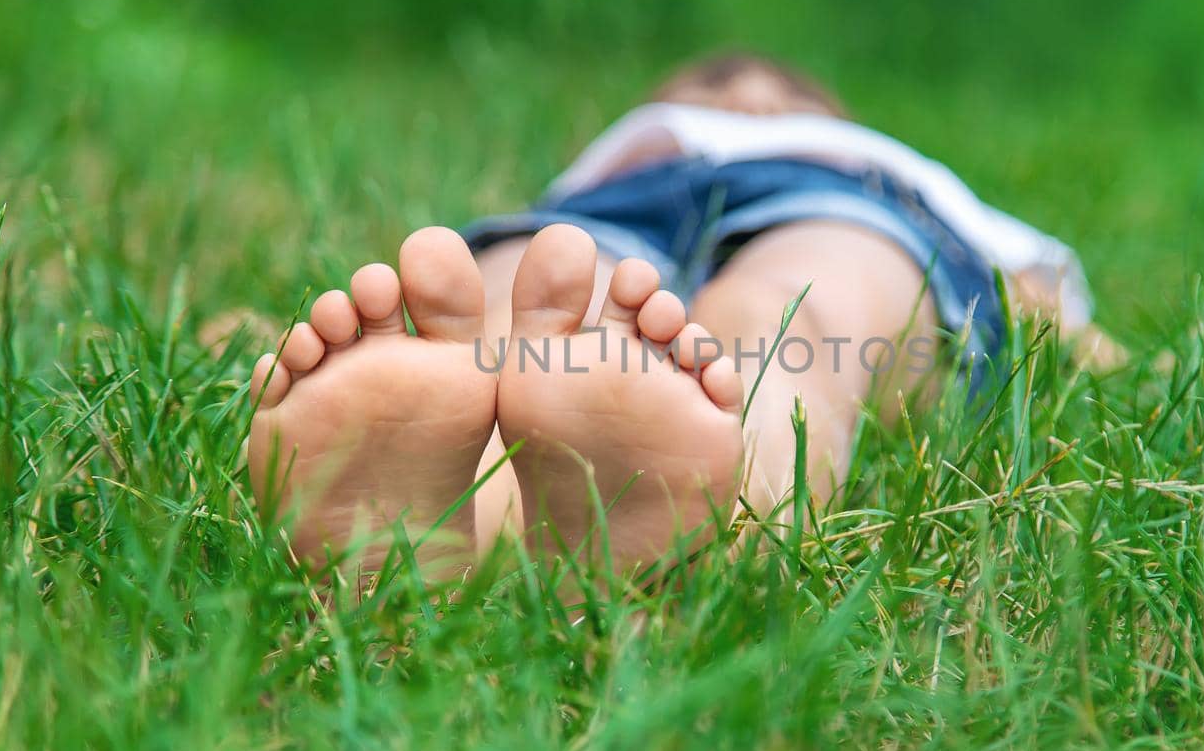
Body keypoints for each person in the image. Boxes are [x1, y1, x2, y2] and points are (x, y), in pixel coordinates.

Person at [245, 52, 1118, 581]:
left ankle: (721, 499)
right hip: (610, 212)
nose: (742, 90)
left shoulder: (901, 175)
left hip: (841, 204)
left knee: (790, 319)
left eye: (778, 91)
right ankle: (452, 524)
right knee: (526, 302)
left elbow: (1038, 302)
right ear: (654, 112)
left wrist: (1088, 344)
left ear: (837, 120)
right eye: (708, 88)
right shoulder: (606, 171)